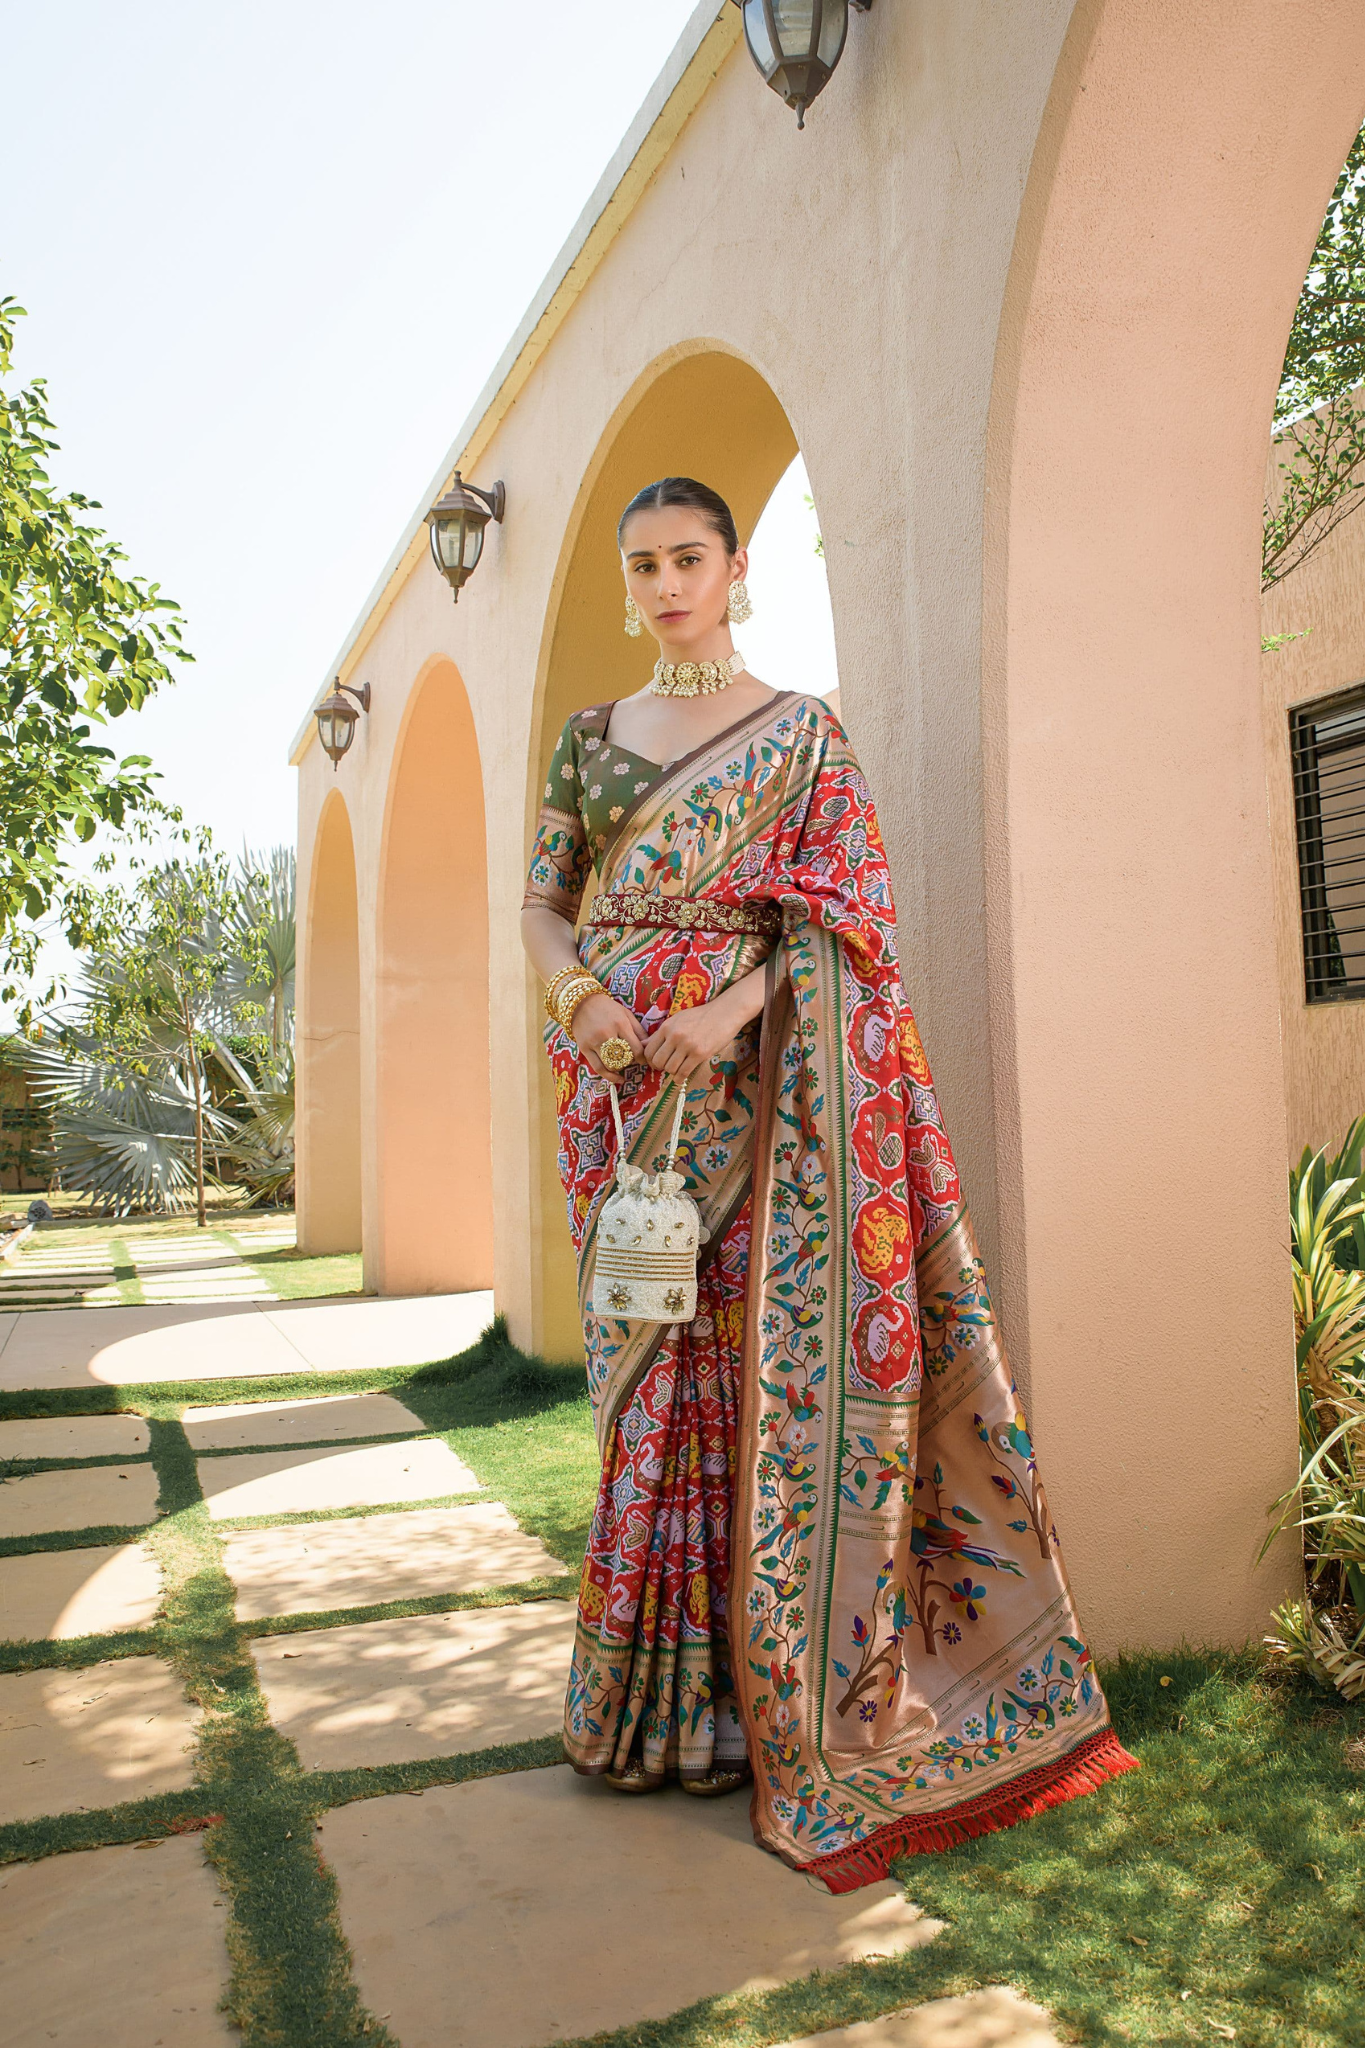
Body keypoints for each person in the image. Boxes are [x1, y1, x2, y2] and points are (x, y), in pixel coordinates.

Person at [520, 476, 1136, 1891]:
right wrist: (586, 1009)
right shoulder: (591, 741)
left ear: (736, 567)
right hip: (620, 1104)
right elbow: (544, 903)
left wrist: (725, 1017)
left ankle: (771, 1705)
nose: (666, 582)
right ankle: (651, 1712)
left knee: (759, 1386)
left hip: (770, 1098)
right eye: (643, 564)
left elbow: (850, 918)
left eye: (689, 557)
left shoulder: (801, 738)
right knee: (648, 1386)